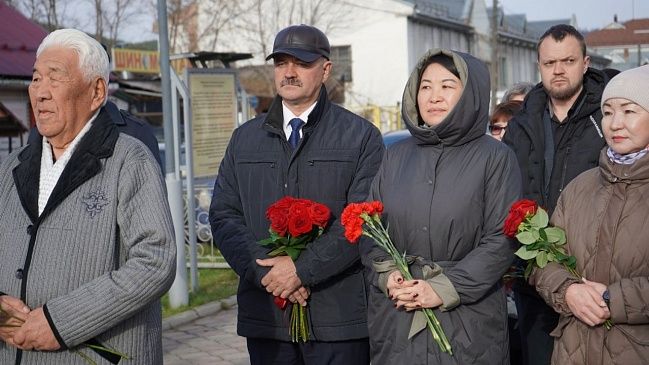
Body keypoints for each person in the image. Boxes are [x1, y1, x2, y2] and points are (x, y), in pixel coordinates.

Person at [209, 24, 384, 364]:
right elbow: (224, 215)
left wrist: (301, 271)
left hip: (337, 317)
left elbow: (362, 219)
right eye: (281, 63)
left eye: (301, 63)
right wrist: (268, 275)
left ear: (326, 69)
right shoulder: (244, 139)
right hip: (268, 316)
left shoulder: (361, 137)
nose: (289, 72)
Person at [0, 29, 176, 364]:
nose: (40, 92)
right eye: (36, 78)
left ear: (96, 92)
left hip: (95, 355)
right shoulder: (11, 167)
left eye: (55, 78)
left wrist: (60, 322)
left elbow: (155, 260)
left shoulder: (128, 160)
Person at [359, 48, 521, 364]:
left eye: (447, 86)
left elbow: (502, 239)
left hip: (466, 320)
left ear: (470, 94)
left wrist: (444, 288)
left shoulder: (495, 158)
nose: (434, 96)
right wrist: (387, 274)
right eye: (425, 86)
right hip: (398, 317)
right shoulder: (395, 156)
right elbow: (368, 226)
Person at [502, 24, 609, 365]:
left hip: (594, 281)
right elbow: (506, 199)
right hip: (534, 281)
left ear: (585, 62)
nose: (559, 70)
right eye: (550, 63)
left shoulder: (609, 116)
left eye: (568, 61)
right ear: (539, 67)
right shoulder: (521, 124)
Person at [532, 64, 649, 364]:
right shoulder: (580, 187)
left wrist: (615, 300)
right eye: (608, 112)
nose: (615, 123)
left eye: (629, 111)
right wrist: (567, 290)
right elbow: (543, 259)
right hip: (573, 351)